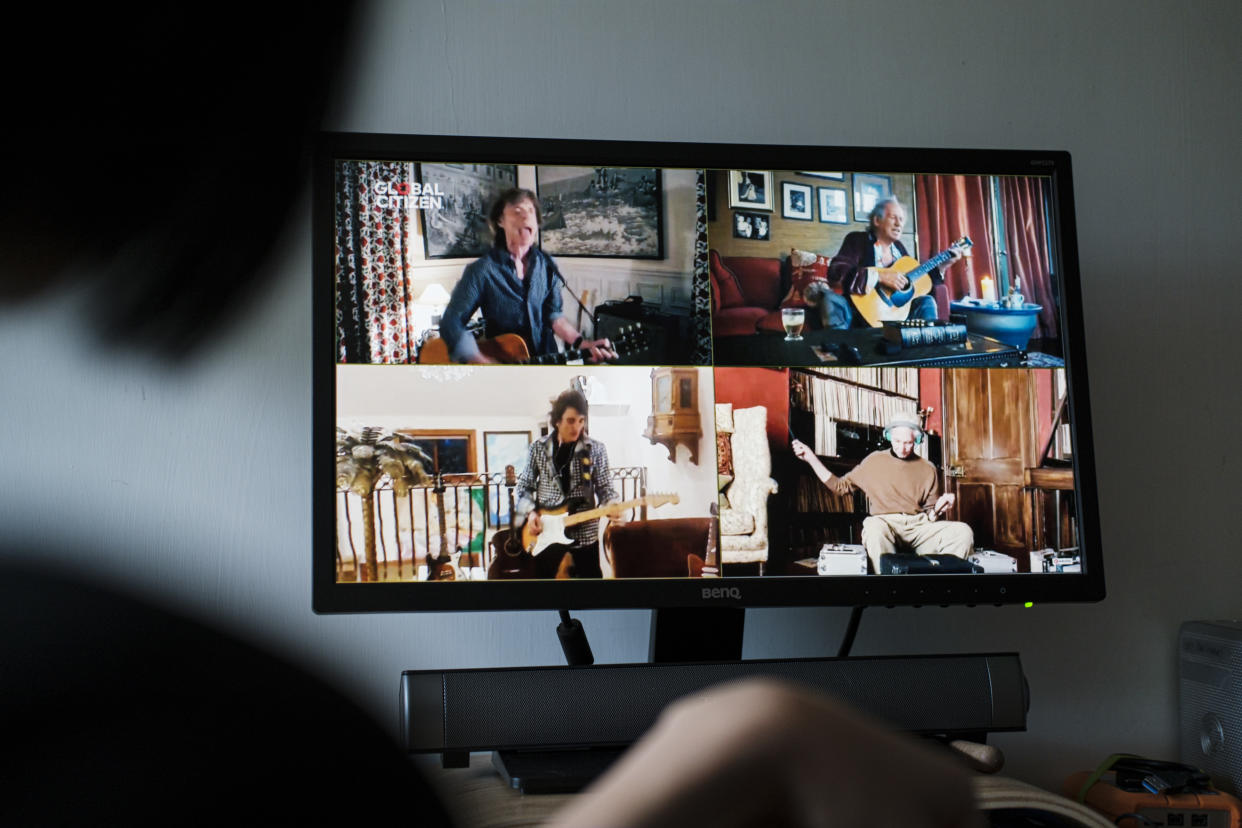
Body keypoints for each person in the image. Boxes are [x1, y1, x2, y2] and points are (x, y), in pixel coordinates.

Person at [438, 188, 615, 364]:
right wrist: (479, 359)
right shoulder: (481, 271)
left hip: (548, 362)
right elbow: (451, 322)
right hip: (506, 367)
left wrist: (581, 343)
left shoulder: (547, 265)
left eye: (530, 211)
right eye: (517, 211)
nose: (526, 217)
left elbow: (554, 316)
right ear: (501, 221)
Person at [791, 413, 974, 573]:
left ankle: (940, 586)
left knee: (962, 532)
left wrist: (938, 509)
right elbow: (839, 486)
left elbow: (930, 515)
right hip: (885, 524)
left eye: (908, 443)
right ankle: (889, 587)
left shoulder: (928, 468)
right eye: (897, 441)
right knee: (872, 527)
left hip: (919, 526)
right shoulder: (874, 461)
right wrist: (810, 458)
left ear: (917, 440)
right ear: (889, 437)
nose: (902, 447)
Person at [808, 196, 962, 329]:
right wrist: (879, 276)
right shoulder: (857, 240)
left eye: (901, 219)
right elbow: (836, 271)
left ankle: (927, 353)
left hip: (897, 315)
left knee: (926, 301)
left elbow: (920, 284)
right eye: (893, 217)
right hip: (858, 315)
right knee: (830, 300)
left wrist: (943, 265)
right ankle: (839, 355)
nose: (898, 224)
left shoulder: (900, 249)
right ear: (877, 220)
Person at [514, 388, 618, 578]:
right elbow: (524, 486)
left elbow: (605, 487)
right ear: (557, 421)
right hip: (546, 534)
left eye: (581, 421)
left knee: (592, 593)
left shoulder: (596, 449)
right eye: (571, 421)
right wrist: (530, 514)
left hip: (585, 535)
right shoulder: (538, 448)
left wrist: (611, 503)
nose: (577, 427)